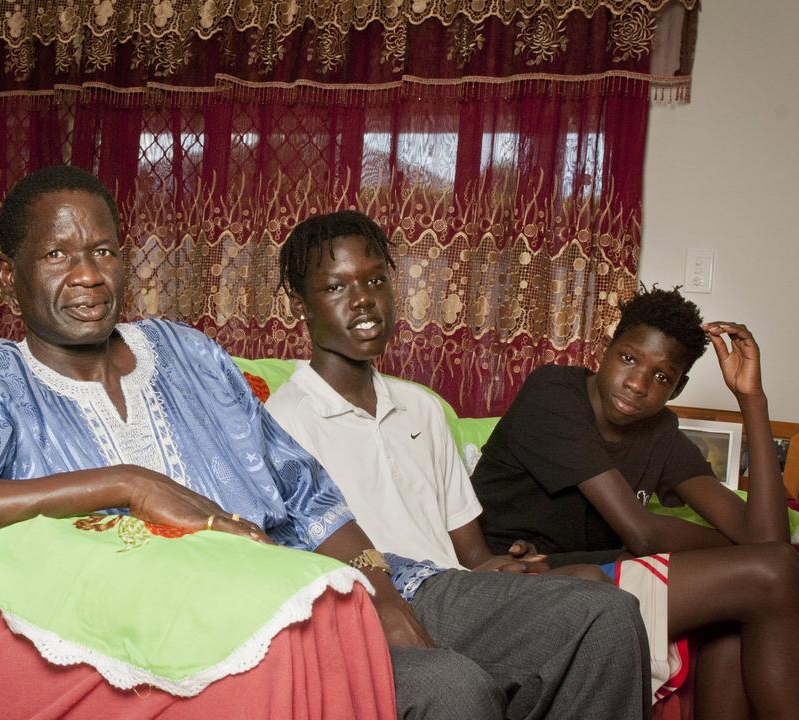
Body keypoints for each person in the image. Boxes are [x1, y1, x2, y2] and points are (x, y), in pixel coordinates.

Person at [0, 167, 650, 720]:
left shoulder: (189, 354)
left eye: (105, 251)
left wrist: (378, 590)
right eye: (58, 256)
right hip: (237, 628)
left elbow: (304, 493)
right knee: (449, 689)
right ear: (9, 275)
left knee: (599, 621)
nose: (87, 274)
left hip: (340, 580)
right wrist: (115, 481)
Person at [265, 210, 640, 719]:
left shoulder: (420, 407)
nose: (363, 300)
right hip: (373, 605)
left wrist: (505, 568)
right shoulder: (282, 421)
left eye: (375, 280)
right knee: (595, 618)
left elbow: (471, 553)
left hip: (450, 591)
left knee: (604, 600)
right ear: (299, 306)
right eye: (336, 287)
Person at [471, 287, 799, 719]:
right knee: (766, 573)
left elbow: (768, 541)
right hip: (509, 584)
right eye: (629, 358)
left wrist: (752, 402)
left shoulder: (659, 432)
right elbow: (641, 532)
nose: (638, 384)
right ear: (606, 350)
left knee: (740, 610)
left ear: (677, 387)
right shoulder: (553, 394)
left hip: (593, 574)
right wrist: (731, 547)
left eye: (661, 377)